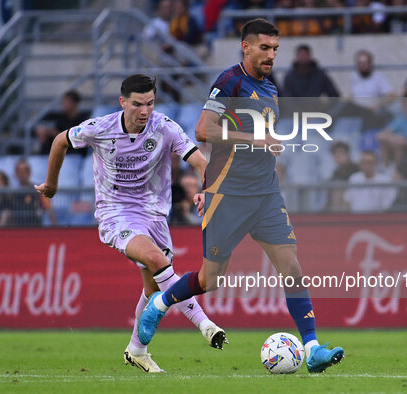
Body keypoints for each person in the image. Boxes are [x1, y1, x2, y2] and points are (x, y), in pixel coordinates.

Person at [137, 19, 344, 374]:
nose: (271, 55)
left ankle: (311, 349)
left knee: (291, 267)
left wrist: (269, 152)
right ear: (246, 47)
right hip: (228, 194)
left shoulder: (270, 89)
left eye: (275, 49)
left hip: (265, 193)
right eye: (265, 48)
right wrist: (255, 139)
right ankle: (161, 301)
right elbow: (204, 130)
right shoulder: (229, 82)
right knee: (210, 279)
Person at [34, 74, 225, 374]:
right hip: (115, 212)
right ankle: (206, 324)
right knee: (156, 259)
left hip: (154, 215)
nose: (144, 111)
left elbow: (200, 161)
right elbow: (60, 141)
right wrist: (52, 185)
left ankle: (137, 350)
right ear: (123, 102)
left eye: (149, 103)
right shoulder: (101, 128)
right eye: (137, 104)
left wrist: (206, 188)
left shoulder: (165, 127)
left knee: (152, 288)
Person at [35, 90, 91, 156]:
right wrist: (41, 130)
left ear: (75, 103)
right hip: (58, 151)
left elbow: (75, 138)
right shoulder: (58, 117)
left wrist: (53, 133)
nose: (63, 104)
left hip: (74, 152)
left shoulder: (83, 119)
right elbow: (36, 126)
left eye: (67, 102)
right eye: (63, 102)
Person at [11, 158, 57, 226]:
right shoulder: (11, 193)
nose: (22, 174)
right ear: (15, 174)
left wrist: (55, 226)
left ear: (29, 173)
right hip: (17, 228)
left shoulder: (39, 190)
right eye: (19, 172)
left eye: (25, 171)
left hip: (35, 227)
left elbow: (49, 209)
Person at [327, 141, 360, 212]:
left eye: (340, 152)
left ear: (348, 154)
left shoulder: (357, 171)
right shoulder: (336, 173)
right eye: (335, 153)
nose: (337, 155)